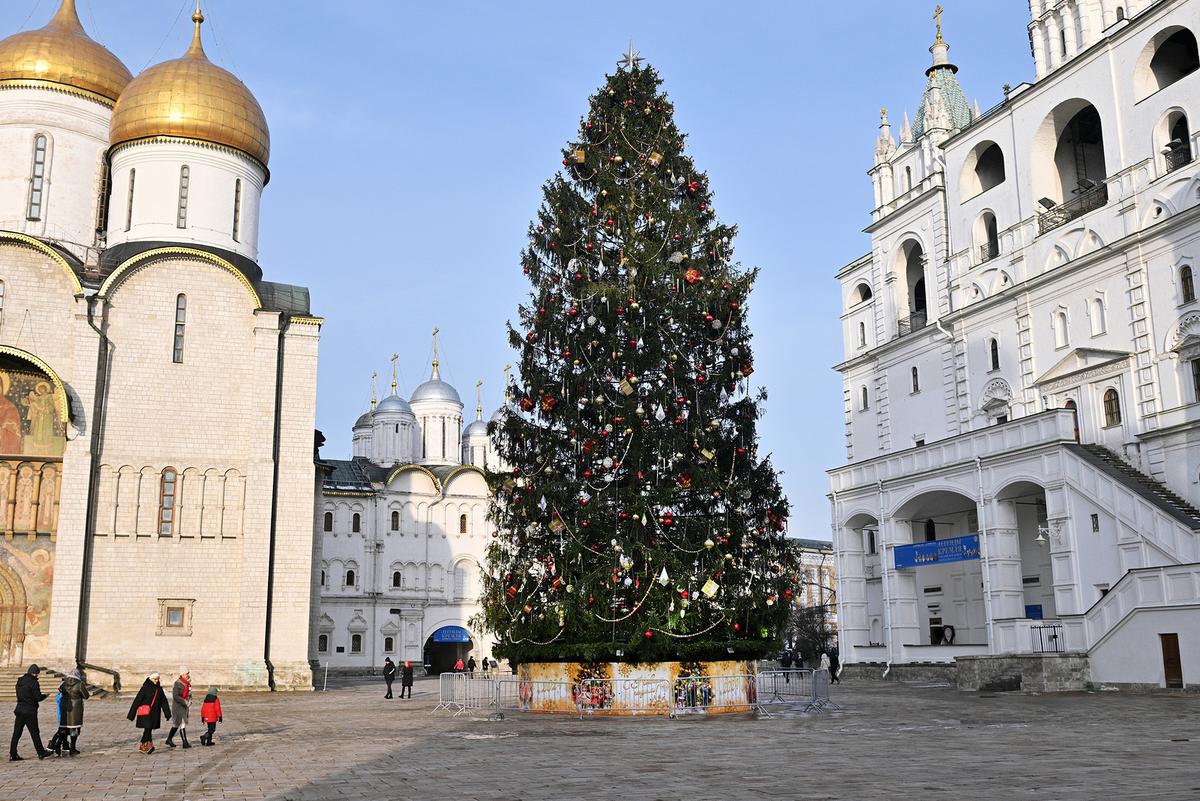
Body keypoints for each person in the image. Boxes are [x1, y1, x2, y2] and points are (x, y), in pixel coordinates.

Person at [10, 664, 50, 761]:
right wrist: (45, 695)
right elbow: (37, 697)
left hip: (19, 709)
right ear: (35, 673)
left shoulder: (19, 681)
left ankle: (13, 754)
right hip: (30, 711)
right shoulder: (33, 682)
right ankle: (41, 752)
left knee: (17, 733)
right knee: (34, 732)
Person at [48, 668, 88, 757]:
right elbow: (86, 695)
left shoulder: (64, 683)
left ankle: (57, 745)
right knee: (74, 729)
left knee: (63, 728)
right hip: (75, 709)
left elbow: (60, 691)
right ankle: (72, 748)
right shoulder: (79, 684)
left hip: (65, 708)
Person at [127, 672, 170, 754]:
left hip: (155, 713)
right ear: (150, 679)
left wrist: (167, 714)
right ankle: (148, 746)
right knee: (148, 728)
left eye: (157, 679)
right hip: (146, 713)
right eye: (155, 679)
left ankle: (144, 746)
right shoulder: (145, 688)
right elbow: (137, 701)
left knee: (148, 729)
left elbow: (164, 702)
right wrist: (131, 714)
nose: (156, 681)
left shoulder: (159, 689)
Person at [165, 668, 192, 748]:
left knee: (177, 724)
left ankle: (169, 739)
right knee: (181, 723)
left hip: (184, 706)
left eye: (188, 673)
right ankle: (185, 742)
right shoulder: (177, 683)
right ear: (182, 674)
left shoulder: (188, 683)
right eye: (186, 673)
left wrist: (189, 700)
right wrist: (184, 701)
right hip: (178, 706)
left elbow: (189, 693)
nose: (188, 674)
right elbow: (175, 696)